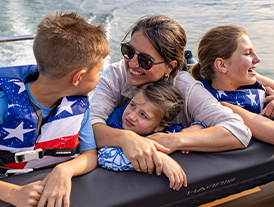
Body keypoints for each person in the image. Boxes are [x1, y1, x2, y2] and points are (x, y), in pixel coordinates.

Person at [0, 11, 109, 207]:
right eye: (99, 71)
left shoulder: (79, 107)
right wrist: (12, 194)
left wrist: (64, 170)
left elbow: (89, 155)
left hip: (44, 184)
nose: (100, 77)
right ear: (78, 77)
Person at [89, 15, 252, 176]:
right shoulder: (115, 76)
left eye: (146, 60)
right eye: (129, 51)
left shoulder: (185, 87)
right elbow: (90, 125)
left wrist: (175, 140)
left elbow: (237, 131)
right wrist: (125, 139)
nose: (132, 64)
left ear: (169, 66)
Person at [190, 26, 274, 150]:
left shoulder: (249, 78)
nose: (257, 59)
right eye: (247, 53)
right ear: (222, 65)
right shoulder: (223, 107)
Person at [99, 82, 203, 191]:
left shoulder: (164, 134)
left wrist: (192, 129)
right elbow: (105, 157)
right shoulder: (115, 125)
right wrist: (160, 158)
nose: (131, 116)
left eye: (143, 115)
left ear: (159, 127)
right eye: (132, 105)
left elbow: (200, 128)